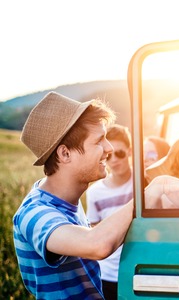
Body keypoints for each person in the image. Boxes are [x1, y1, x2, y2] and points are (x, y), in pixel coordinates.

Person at [12, 92, 133, 299]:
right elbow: (97, 245)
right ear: (65, 154)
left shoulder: (68, 199)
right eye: (99, 141)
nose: (109, 148)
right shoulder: (35, 213)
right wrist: (146, 195)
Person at [86, 124, 133, 299]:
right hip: (107, 275)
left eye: (120, 153)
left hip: (137, 268)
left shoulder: (144, 182)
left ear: (129, 151)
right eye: (109, 155)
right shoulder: (94, 193)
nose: (114, 160)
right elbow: (96, 234)